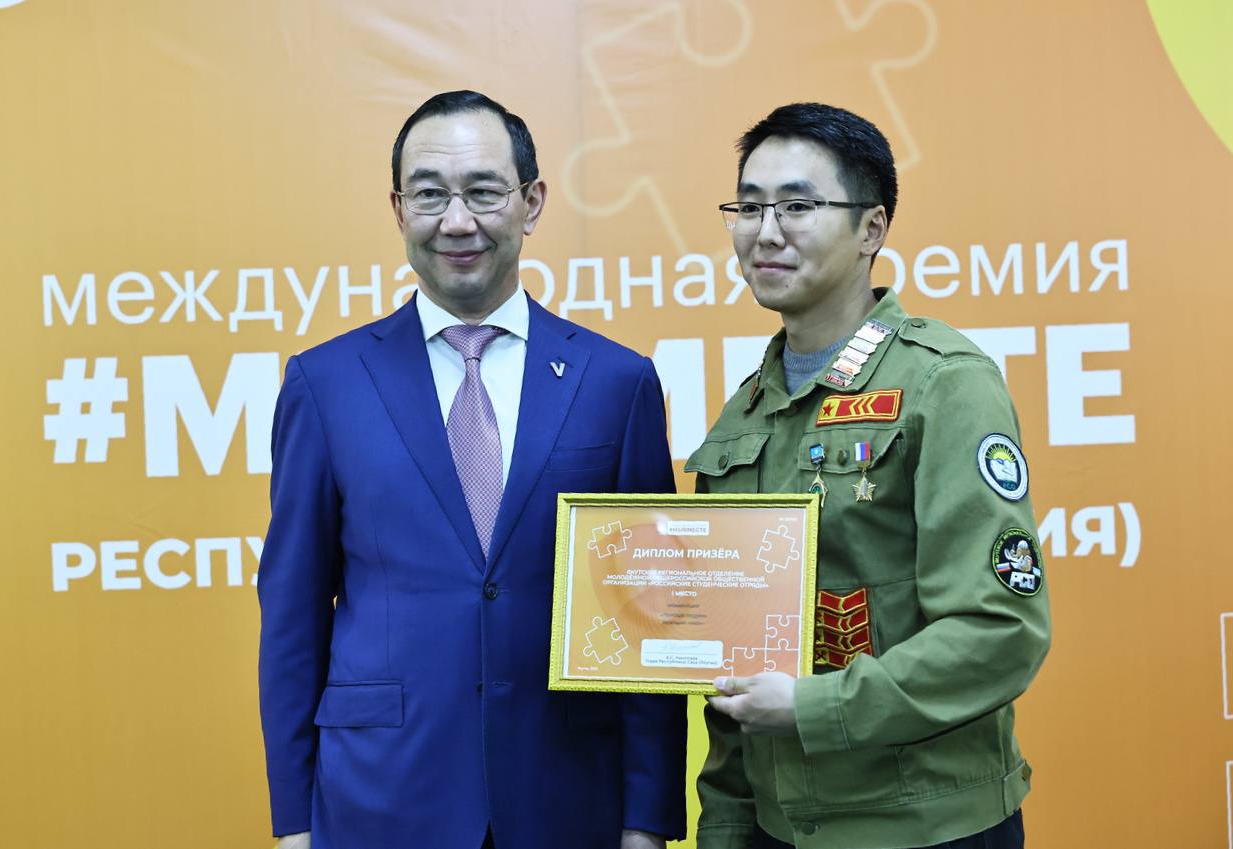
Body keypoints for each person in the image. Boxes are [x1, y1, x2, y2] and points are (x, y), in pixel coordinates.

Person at [257, 90, 686, 849]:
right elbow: (292, 610)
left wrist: (646, 819)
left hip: (567, 795)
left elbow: (647, 616)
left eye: (484, 191)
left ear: (531, 202)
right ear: (399, 210)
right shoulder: (326, 384)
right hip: (381, 795)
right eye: (430, 194)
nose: (457, 221)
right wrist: (293, 823)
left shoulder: (616, 382)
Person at [687, 102, 1051, 849]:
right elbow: (733, 665)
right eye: (748, 207)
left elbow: (1000, 631)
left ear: (871, 229)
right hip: (777, 827)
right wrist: (725, 827)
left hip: (925, 824)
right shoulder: (742, 416)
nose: (766, 231)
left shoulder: (943, 382)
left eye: (797, 206)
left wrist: (812, 707)